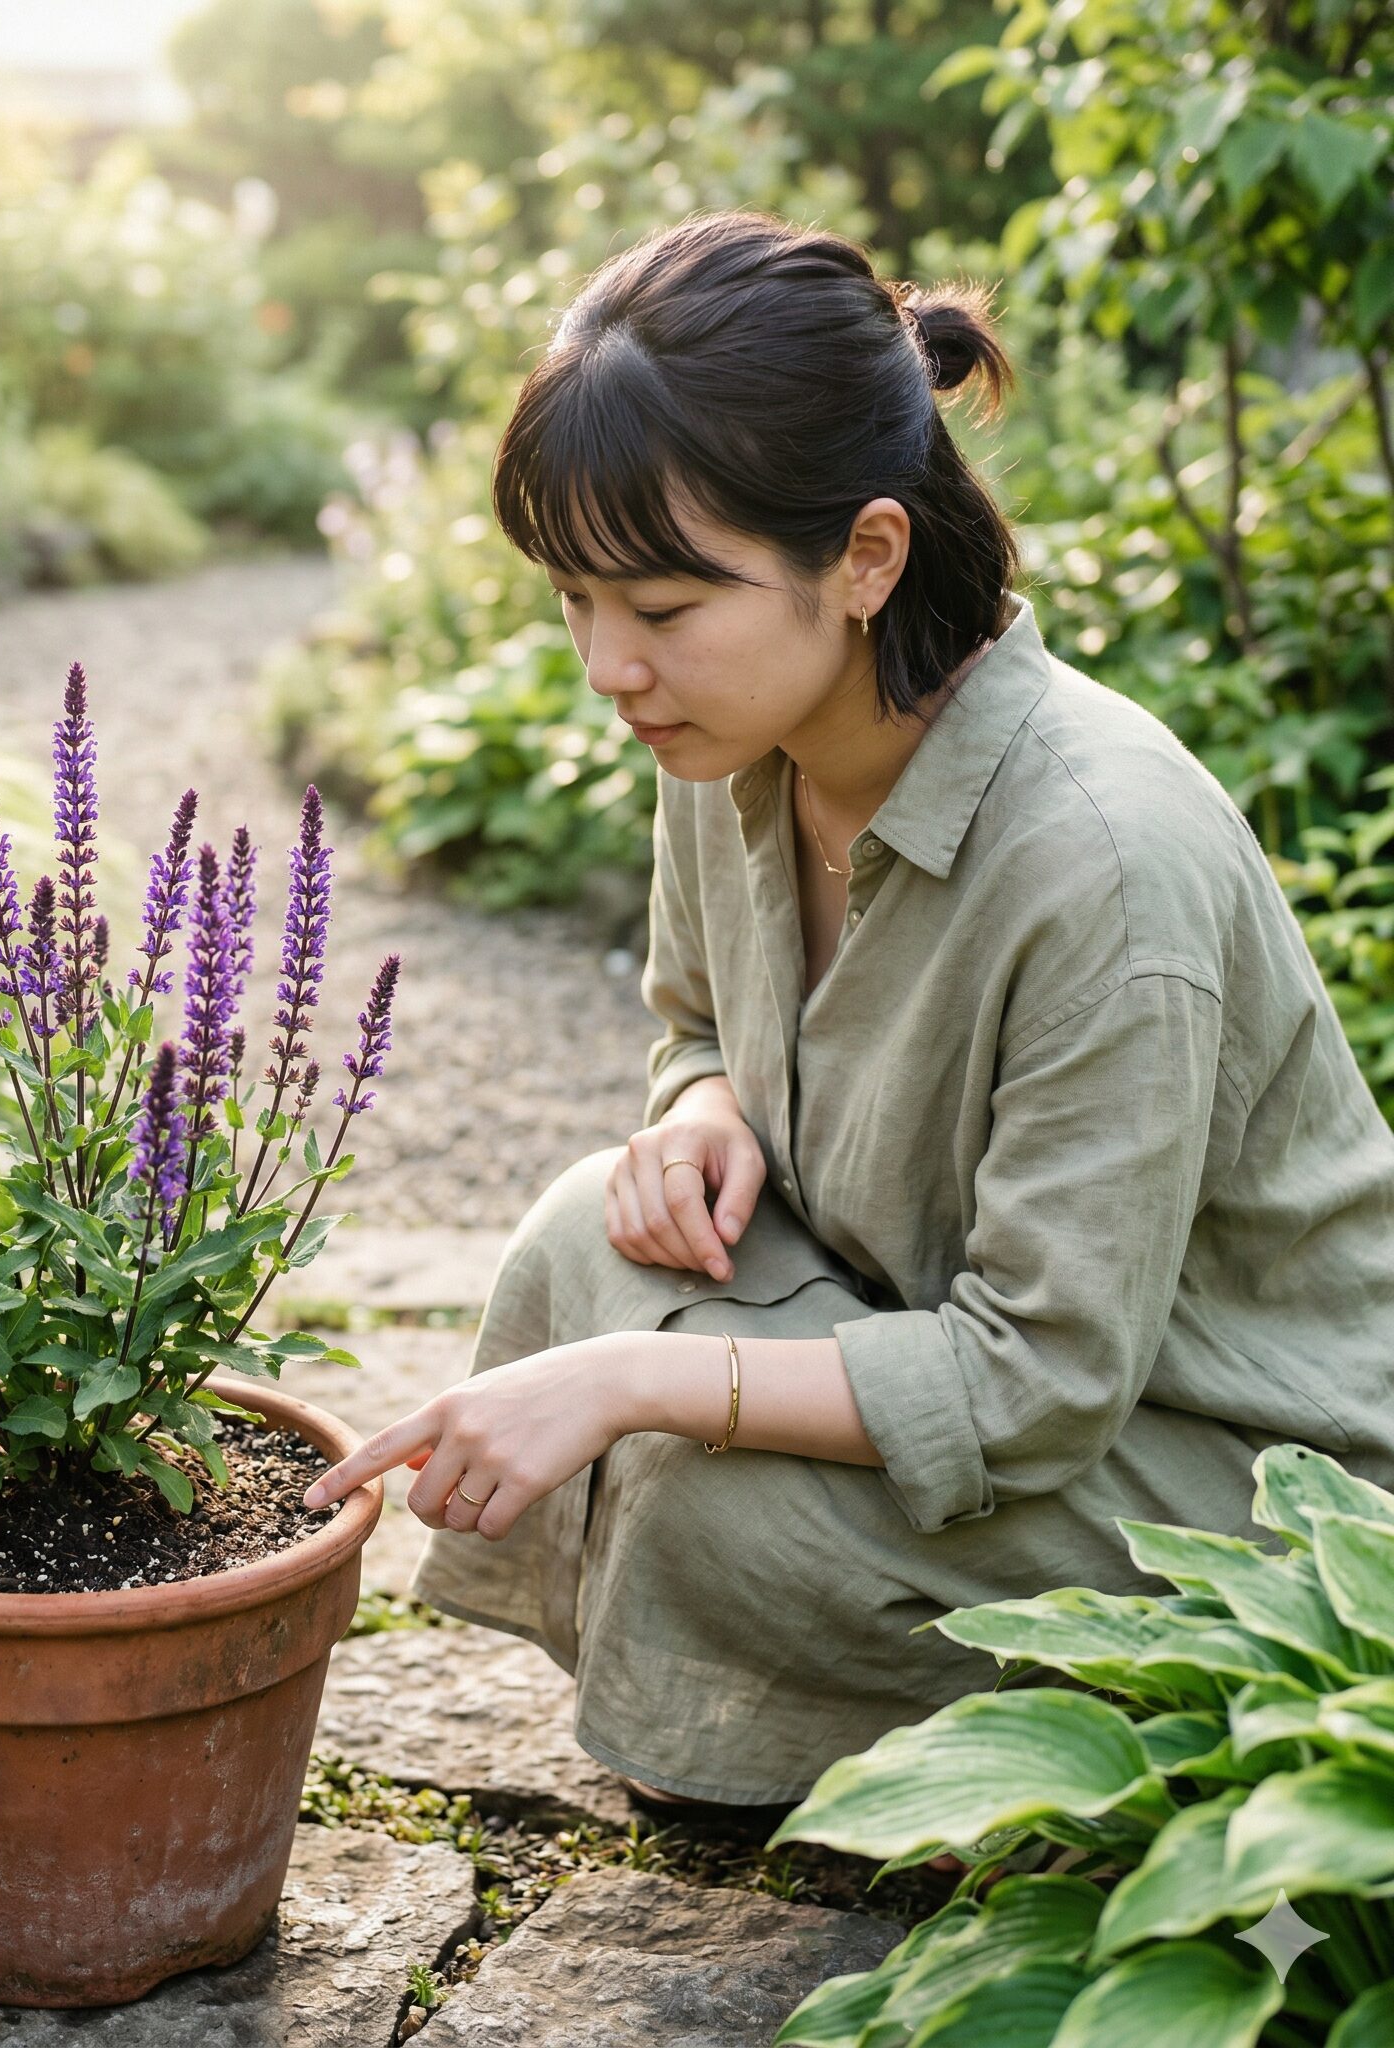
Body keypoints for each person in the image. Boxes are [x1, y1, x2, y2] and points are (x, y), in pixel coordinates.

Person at [297, 208, 1394, 1834]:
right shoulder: (733, 737)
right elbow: (695, 1021)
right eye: (574, 601)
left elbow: (1036, 1382)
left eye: (661, 608)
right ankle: (756, 1682)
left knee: (707, 1505)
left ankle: (887, 1738)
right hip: (909, 1310)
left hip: (1221, 1464)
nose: (609, 665)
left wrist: (628, 1386)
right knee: (578, 1239)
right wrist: (702, 1110)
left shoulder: (1101, 863)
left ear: (867, 557)